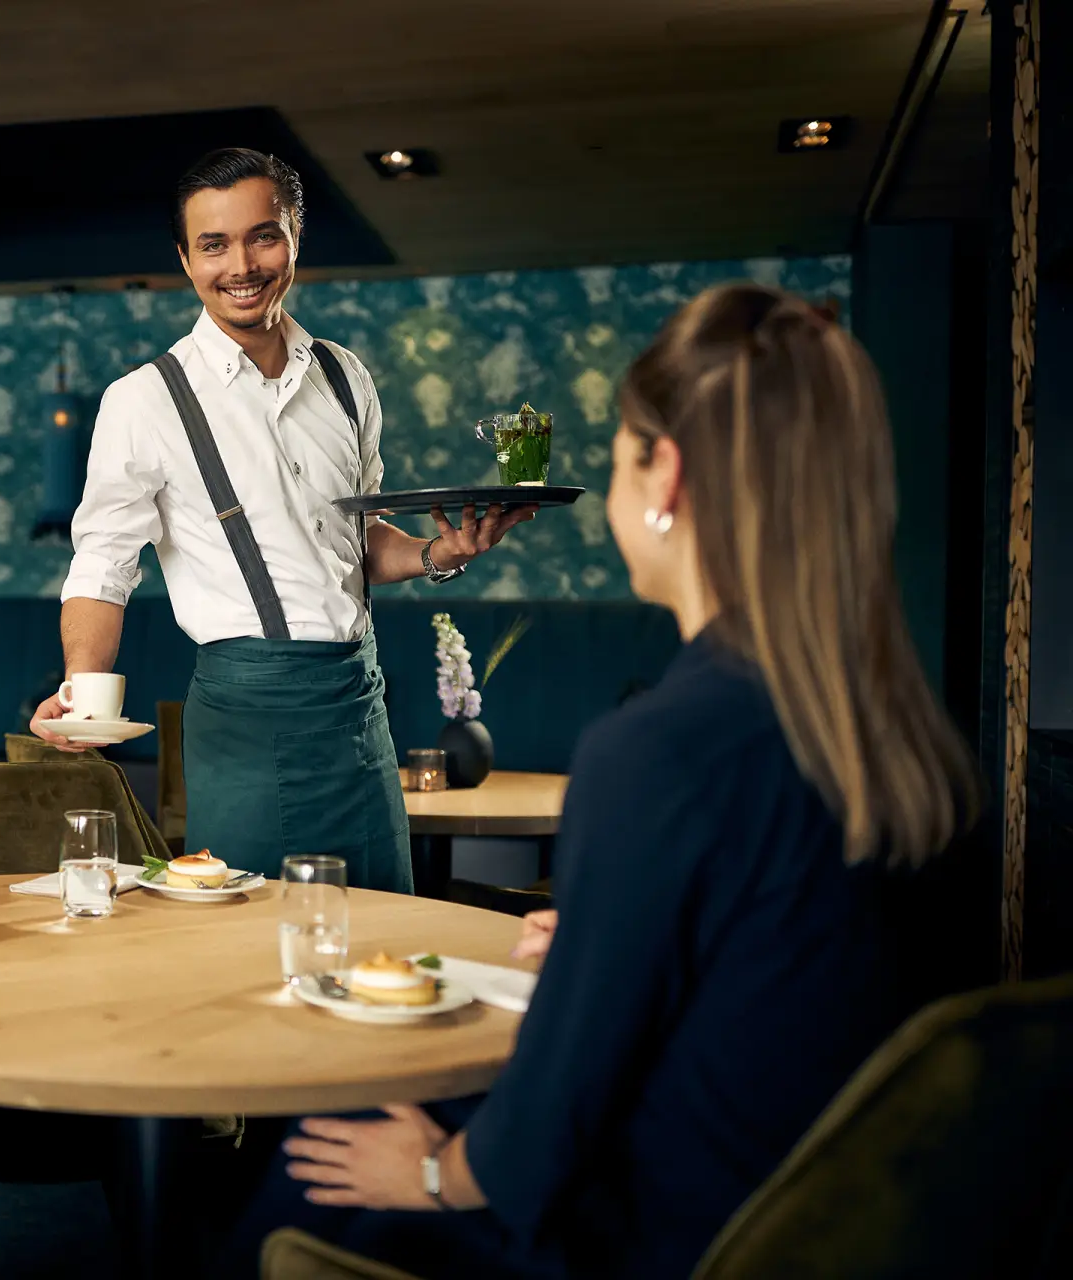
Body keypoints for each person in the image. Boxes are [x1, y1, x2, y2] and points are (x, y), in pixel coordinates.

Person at [223, 282, 981, 1278]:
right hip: (833, 1215)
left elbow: (552, 1114)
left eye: (620, 453)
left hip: (668, 1231)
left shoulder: (655, 749)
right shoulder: (898, 734)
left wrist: (443, 1173)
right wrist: (601, 944)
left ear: (662, 475)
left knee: (299, 1166)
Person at [28, 147, 531, 893]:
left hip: (360, 710)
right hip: (248, 720)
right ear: (185, 258)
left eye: (263, 235)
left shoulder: (345, 376)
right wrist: (83, 684)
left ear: (296, 235)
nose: (242, 264)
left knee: (381, 929)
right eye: (213, 244)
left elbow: (355, 547)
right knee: (254, 952)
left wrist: (438, 553)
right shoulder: (145, 400)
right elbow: (104, 561)